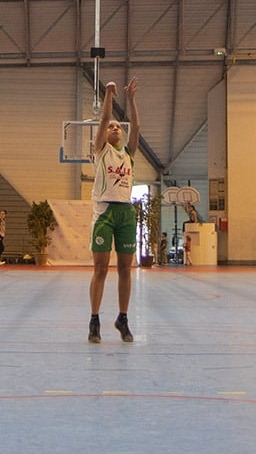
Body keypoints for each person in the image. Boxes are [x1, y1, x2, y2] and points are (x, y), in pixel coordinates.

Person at [88, 77, 140, 343]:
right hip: (105, 212)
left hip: (126, 214)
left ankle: (123, 318)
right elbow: (104, 118)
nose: (116, 128)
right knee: (100, 269)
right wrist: (109, 94)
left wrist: (130, 100)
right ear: (105, 134)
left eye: (119, 126)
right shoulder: (102, 150)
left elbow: (137, 127)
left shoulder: (129, 154)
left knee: (125, 269)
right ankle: (94, 319)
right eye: (112, 127)